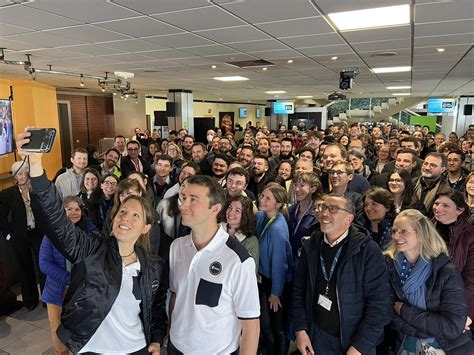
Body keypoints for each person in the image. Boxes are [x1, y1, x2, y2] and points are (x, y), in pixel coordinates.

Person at [17, 129, 167, 355]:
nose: (125, 217)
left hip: (136, 347)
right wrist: (36, 167)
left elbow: (154, 308)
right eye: (122, 212)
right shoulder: (93, 249)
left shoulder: (153, 266)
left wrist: (156, 339)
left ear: (147, 226)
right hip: (92, 348)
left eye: (136, 215)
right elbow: (57, 222)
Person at [168, 175, 260, 354]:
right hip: (175, 346)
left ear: (215, 208)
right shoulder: (177, 247)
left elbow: (250, 324)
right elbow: (176, 296)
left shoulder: (238, 260)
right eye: (183, 198)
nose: (183, 206)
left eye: (193, 200)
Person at [292, 195, 392, 355]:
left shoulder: (367, 250)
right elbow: (298, 291)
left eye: (333, 209)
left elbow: (380, 306)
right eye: (323, 207)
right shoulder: (311, 244)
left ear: (349, 219)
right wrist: (300, 329)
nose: (324, 213)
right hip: (316, 336)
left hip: (353, 344)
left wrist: (359, 347)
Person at [385, 209, 473, 354]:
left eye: (403, 231)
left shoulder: (445, 270)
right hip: (403, 346)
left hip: (447, 347)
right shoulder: (389, 266)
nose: (396, 236)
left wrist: (404, 310)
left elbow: (451, 327)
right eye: (394, 231)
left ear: (421, 233)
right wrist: (429, 329)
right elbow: (386, 313)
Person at [40, 196, 97, 355]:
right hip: (57, 291)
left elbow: (94, 259)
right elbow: (44, 264)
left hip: (82, 291)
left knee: (82, 329)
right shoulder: (51, 234)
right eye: (69, 209)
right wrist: (70, 279)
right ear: (62, 212)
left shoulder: (90, 232)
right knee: (57, 329)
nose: (73, 212)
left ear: (82, 212)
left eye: (77, 209)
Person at [0, 160, 45, 310]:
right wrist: (8, 235)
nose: (24, 176)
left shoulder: (37, 190)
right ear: (15, 176)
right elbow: (1, 217)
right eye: (20, 173)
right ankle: (30, 301)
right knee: (25, 269)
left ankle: (47, 299)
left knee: (43, 267)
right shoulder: (7, 194)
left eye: (26, 172)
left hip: (38, 234)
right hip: (20, 236)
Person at [256, 183, 292, 355]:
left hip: (274, 284)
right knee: (266, 324)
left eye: (267, 198)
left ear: (278, 204)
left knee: (276, 326)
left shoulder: (277, 228)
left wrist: (275, 293)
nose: (261, 199)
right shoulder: (262, 216)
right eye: (262, 195)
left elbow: (280, 263)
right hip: (263, 279)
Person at [432, 189, 474, 321]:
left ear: (459, 210)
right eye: (437, 203)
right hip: (424, 301)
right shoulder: (425, 228)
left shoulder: (469, 236)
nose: (438, 208)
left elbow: (471, 280)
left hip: (452, 303)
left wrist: (463, 312)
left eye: (446, 205)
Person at [287, 172, 320, 262]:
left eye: (302, 186)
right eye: (295, 185)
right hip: (288, 261)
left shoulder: (317, 214)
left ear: (313, 189)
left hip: (306, 262)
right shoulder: (290, 210)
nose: (297, 189)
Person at [222, 195, 259, 271]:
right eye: (230, 207)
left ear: (245, 215)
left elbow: (251, 273)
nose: (231, 212)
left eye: (237, 210)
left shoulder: (251, 242)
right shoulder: (216, 229)